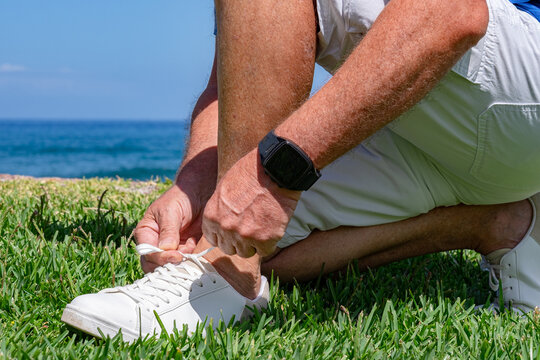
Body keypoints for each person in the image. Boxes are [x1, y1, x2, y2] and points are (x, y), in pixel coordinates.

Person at [61, 0, 540, 342]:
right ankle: (498, 221)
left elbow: (451, 13)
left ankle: (228, 278)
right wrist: (198, 183)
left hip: (517, 87)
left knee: (243, 238)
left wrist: (275, 178)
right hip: (464, 127)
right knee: (247, 238)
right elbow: (243, 66)